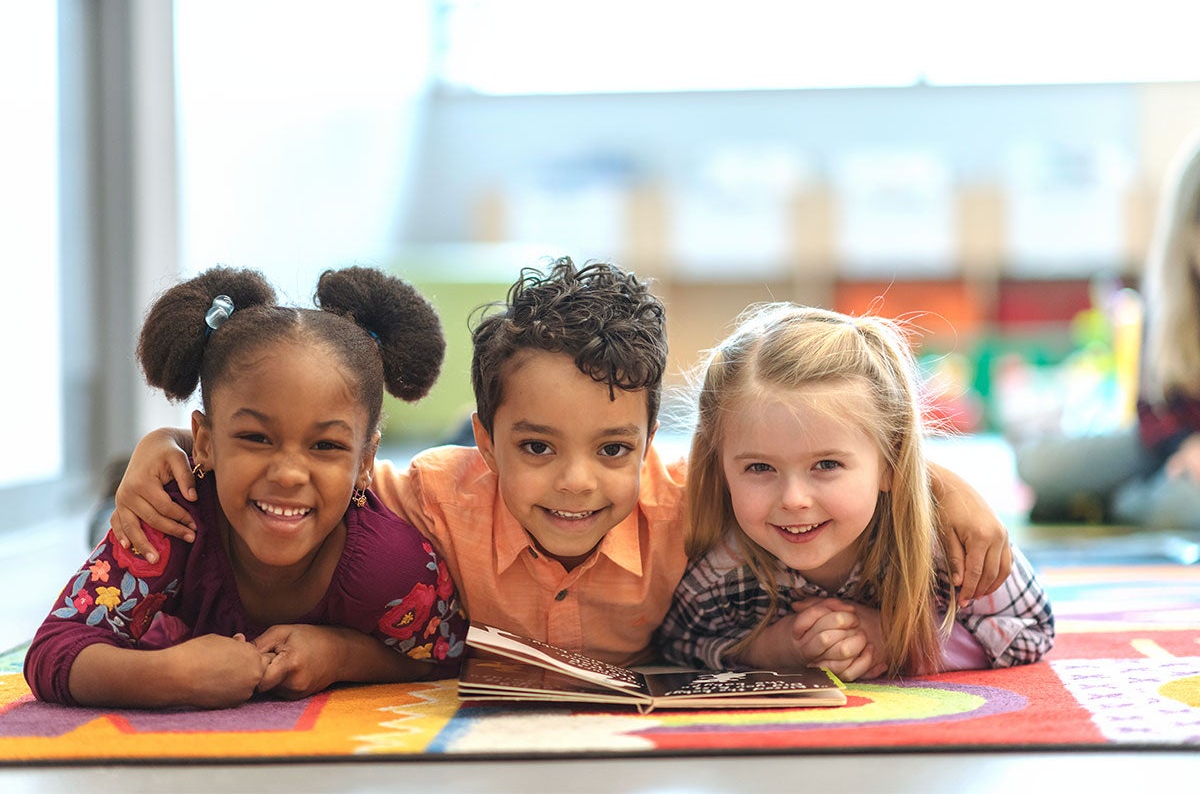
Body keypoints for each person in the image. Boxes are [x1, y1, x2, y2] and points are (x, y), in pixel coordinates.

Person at [108, 258, 1013, 667]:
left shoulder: (692, 505)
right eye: (536, 448)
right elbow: (305, 470)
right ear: (484, 440)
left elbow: (805, 470)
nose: (576, 482)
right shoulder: (432, 495)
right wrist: (159, 449)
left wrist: (937, 483)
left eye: (614, 449)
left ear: (653, 442)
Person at [25, 266, 466, 709]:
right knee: (116, 519)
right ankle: (116, 490)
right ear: (204, 442)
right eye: (256, 438)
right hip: (172, 527)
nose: (289, 475)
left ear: (365, 463)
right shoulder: (170, 518)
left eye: (326, 445)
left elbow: (444, 653)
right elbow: (54, 648)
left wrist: (341, 655)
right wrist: (166, 675)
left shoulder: (393, 566)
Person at [656, 304, 1053, 680]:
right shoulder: (722, 567)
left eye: (826, 465)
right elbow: (676, 643)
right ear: (720, 468)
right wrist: (768, 650)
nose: (794, 499)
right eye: (760, 468)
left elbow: (1031, 629)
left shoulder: (947, 545)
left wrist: (902, 642)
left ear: (891, 462)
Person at [1016, 130, 1200, 531]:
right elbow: (1151, 409)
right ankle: (1112, 493)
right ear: (1183, 236)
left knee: (1181, 509)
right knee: (1037, 465)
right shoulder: (1172, 303)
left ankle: (1115, 503)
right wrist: (1185, 445)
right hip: (1162, 443)